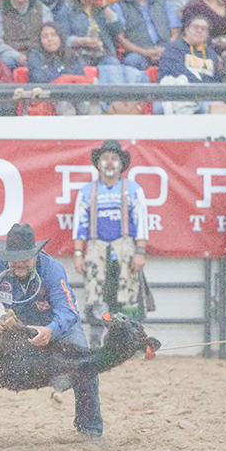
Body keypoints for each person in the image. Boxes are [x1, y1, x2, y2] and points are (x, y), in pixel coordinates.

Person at [0, 222, 104, 443]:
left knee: (85, 364)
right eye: (13, 257)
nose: (18, 263)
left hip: (59, 329)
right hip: (18, 330)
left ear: (36, 255)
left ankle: (90, 430)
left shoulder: (52, 269)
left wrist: (50, 330)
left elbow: (68, 312)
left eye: (24, 258)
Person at [72, 139, 150, 347]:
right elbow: (80, 224)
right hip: (97, 249)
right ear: (98, 163)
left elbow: (141, 222)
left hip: (125, 249)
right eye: (105, 158)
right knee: (96, 294)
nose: (109, 163)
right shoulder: (87, 192)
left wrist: (140, 252)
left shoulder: (133, 190)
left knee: (127, 293)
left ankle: (129, 342)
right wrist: (78, 254)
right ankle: (97, 338)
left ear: (121, 164)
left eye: (114, 158)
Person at [117, 0, 180, 71]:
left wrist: (164, 50)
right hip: (138, 53)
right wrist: (147, 52)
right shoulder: (120, 6)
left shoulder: (163, 3)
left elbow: (175, 32)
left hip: (165, 51)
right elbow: (120, 38)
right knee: (132, 61)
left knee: (182, 60)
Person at [56, 0, 124, 67]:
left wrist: (104, 6)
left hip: (103, 53)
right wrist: (82, 41)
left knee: (112, 63)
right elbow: (62, 38)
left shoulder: (104, 8)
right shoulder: (67, 10)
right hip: (78, 54)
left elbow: (119, 30)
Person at [156, 13, 219, 113]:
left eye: (204, 29)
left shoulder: (212, 55)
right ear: (186, 29)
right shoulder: (174, 48)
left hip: (205, 97)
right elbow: (172, 72)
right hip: (176, 95)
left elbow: (216, 80)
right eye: (195, 27)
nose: (199, 31)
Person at [26, 21, 87, 114]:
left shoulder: (71, 55)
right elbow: (39, 79)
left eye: (53, 35)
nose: (50, 39)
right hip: (47, 98)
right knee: (63, 102)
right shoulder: (35, 56)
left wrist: (65, 80)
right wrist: (65, 79)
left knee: (85, 102)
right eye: (45, 37)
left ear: (60, 37)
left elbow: (81, 78)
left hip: (75, 98)